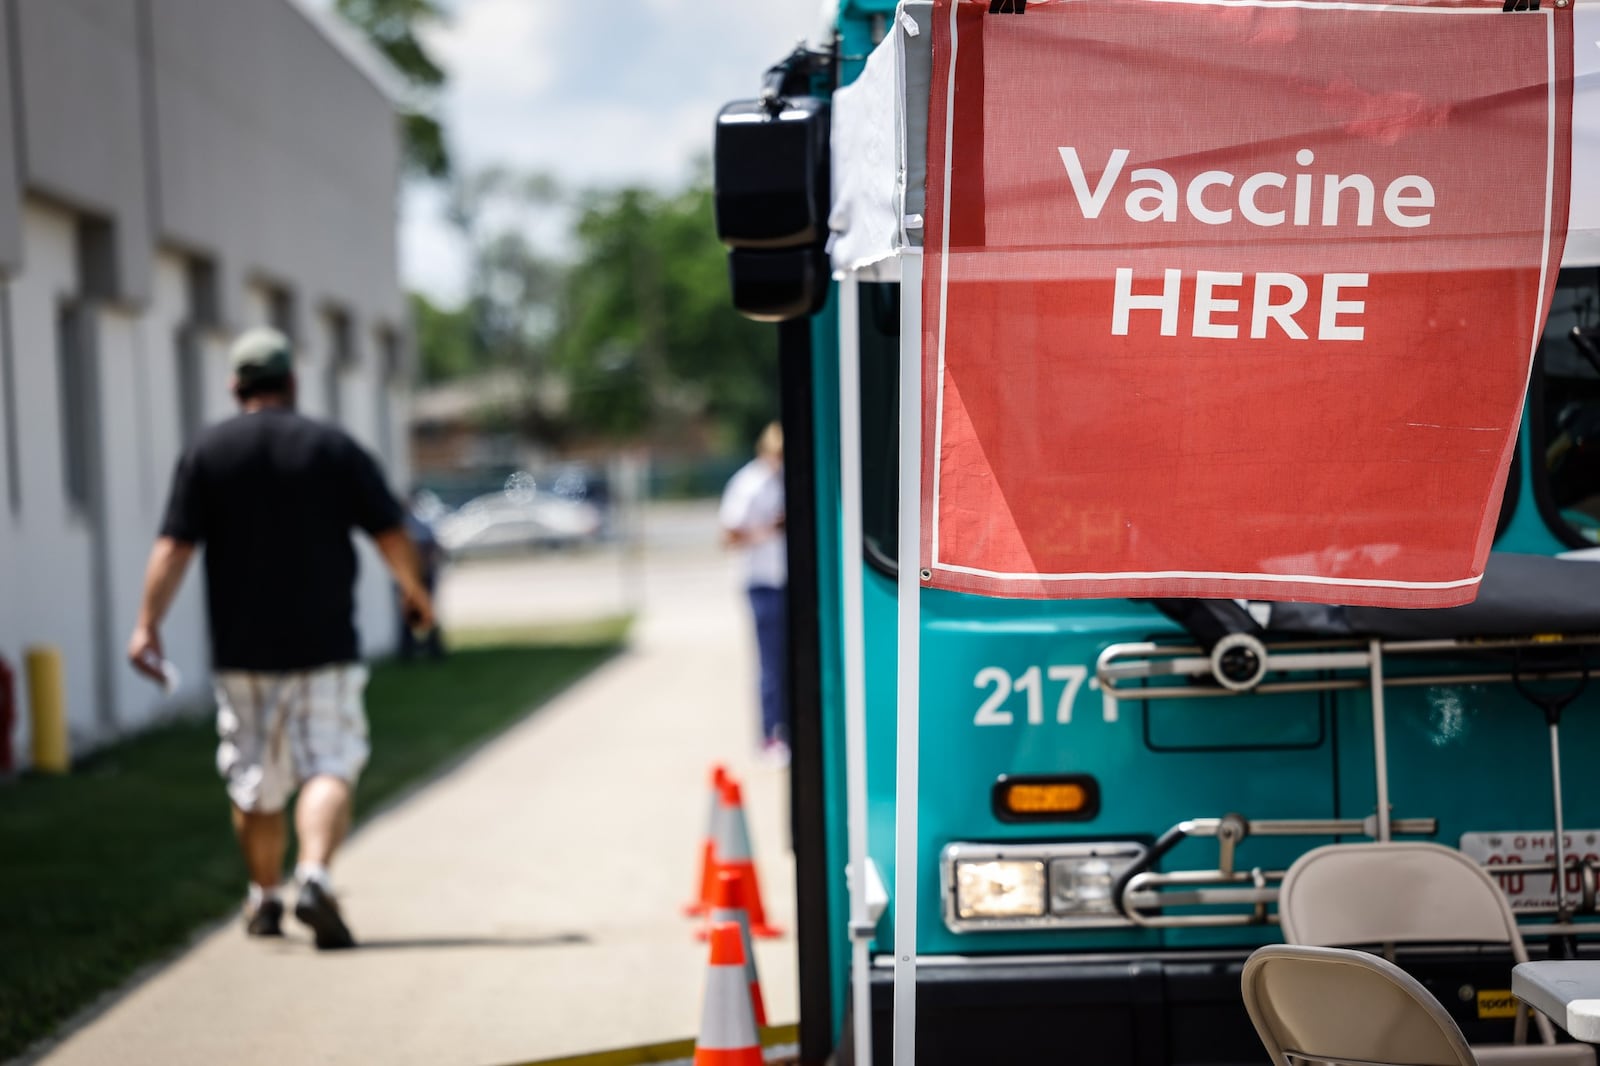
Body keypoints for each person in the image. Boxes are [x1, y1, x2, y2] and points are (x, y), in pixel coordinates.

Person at [126, 327, 433, 950]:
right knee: (330, 762)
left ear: (235, 386)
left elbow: (174, 547)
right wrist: (415, 592)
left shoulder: (207, 452)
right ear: (292, 383)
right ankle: (314, 876)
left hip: (243, 650)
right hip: (325, 643)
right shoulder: (333, 447)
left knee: (254, 779)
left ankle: (264, 897)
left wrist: (146, 624)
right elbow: (390, 531)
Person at [719, 422, 789, 765]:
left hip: (787, 581)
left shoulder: (785, 481)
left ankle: (789, 727)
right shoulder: (749, 485)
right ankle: (769, 734)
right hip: (762, 582)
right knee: (771, 662)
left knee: (792, 659)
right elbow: (728, 537)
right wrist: (768, 530)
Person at [398, 489, 446, 660]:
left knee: (427, 613)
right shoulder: (401, 526)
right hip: (408, 578)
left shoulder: (421, 524)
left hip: (422, 576)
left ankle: (433, 650)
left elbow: (435, 548)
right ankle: (408, 651)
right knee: (408, 616)